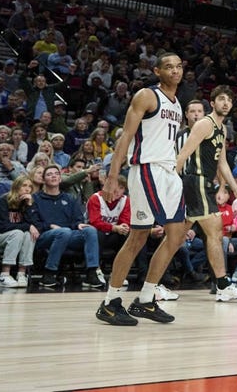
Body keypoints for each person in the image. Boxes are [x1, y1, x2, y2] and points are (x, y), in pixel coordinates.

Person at [96, 53, 189, 326]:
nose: (175, 70)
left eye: (179, 66)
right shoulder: (147, 96)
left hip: (169, 172)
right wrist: (113, 176)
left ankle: (146, 299)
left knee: (177, 236)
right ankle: (110, 302)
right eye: (169, 66)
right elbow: (126, 135)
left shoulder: (177, 103)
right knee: (138, 237)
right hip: (146, 169)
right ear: (158, 71)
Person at [174, 88, 237, 303]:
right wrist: (171, 182)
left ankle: (153, 283)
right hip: (195, 181)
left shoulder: (223, 128)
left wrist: (235, 189)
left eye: (229, 99)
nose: (226, 103)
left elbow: (223, 163)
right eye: (221, 99)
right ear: (212, 102)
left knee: (177, 236)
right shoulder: (204, 124)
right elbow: (183, 155)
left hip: (205, 184)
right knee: (216, 233)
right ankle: (223, 285)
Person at [30, 164, 104, 289]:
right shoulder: (35, 198)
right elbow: (32, 220)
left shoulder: (69, 198)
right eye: (49, 174)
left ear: (60, 178)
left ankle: (91, 273)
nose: (53, 176)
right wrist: (50, 226)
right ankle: (49, 273)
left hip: (68, 234)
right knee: (63, 232)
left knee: (90, 230)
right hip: (45, 235)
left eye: (56, 174)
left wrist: (78, 224)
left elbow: (77, 219)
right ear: (43, 180)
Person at [0, 173, 39, 288]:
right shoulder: (4, 200)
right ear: (16, 187)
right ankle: (4, 275)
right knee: (19, 232)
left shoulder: (28, 203)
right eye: (24, 185)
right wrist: (27, 226)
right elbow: (1, 226)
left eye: (30, 186)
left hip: (15, 239)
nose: (27, 189)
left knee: (28, 234)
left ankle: (21, 273)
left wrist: (30, 206)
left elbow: (35, 226)